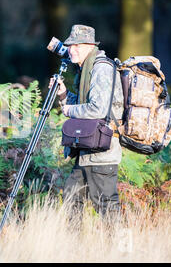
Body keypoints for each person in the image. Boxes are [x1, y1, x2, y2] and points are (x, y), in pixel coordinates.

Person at [49, 24, 124, 224]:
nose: (71, 49)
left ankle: (119, 252)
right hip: (86, 149)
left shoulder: (101, 68)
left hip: (103, 151)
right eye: (70, 45)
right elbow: (84, 105)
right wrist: (63, 94)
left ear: (90, 45)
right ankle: (75, 251)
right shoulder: (86, 69)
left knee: (106, 205)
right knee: (71, 200)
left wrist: (68, 110)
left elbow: (97, 109)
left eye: (77, 46)